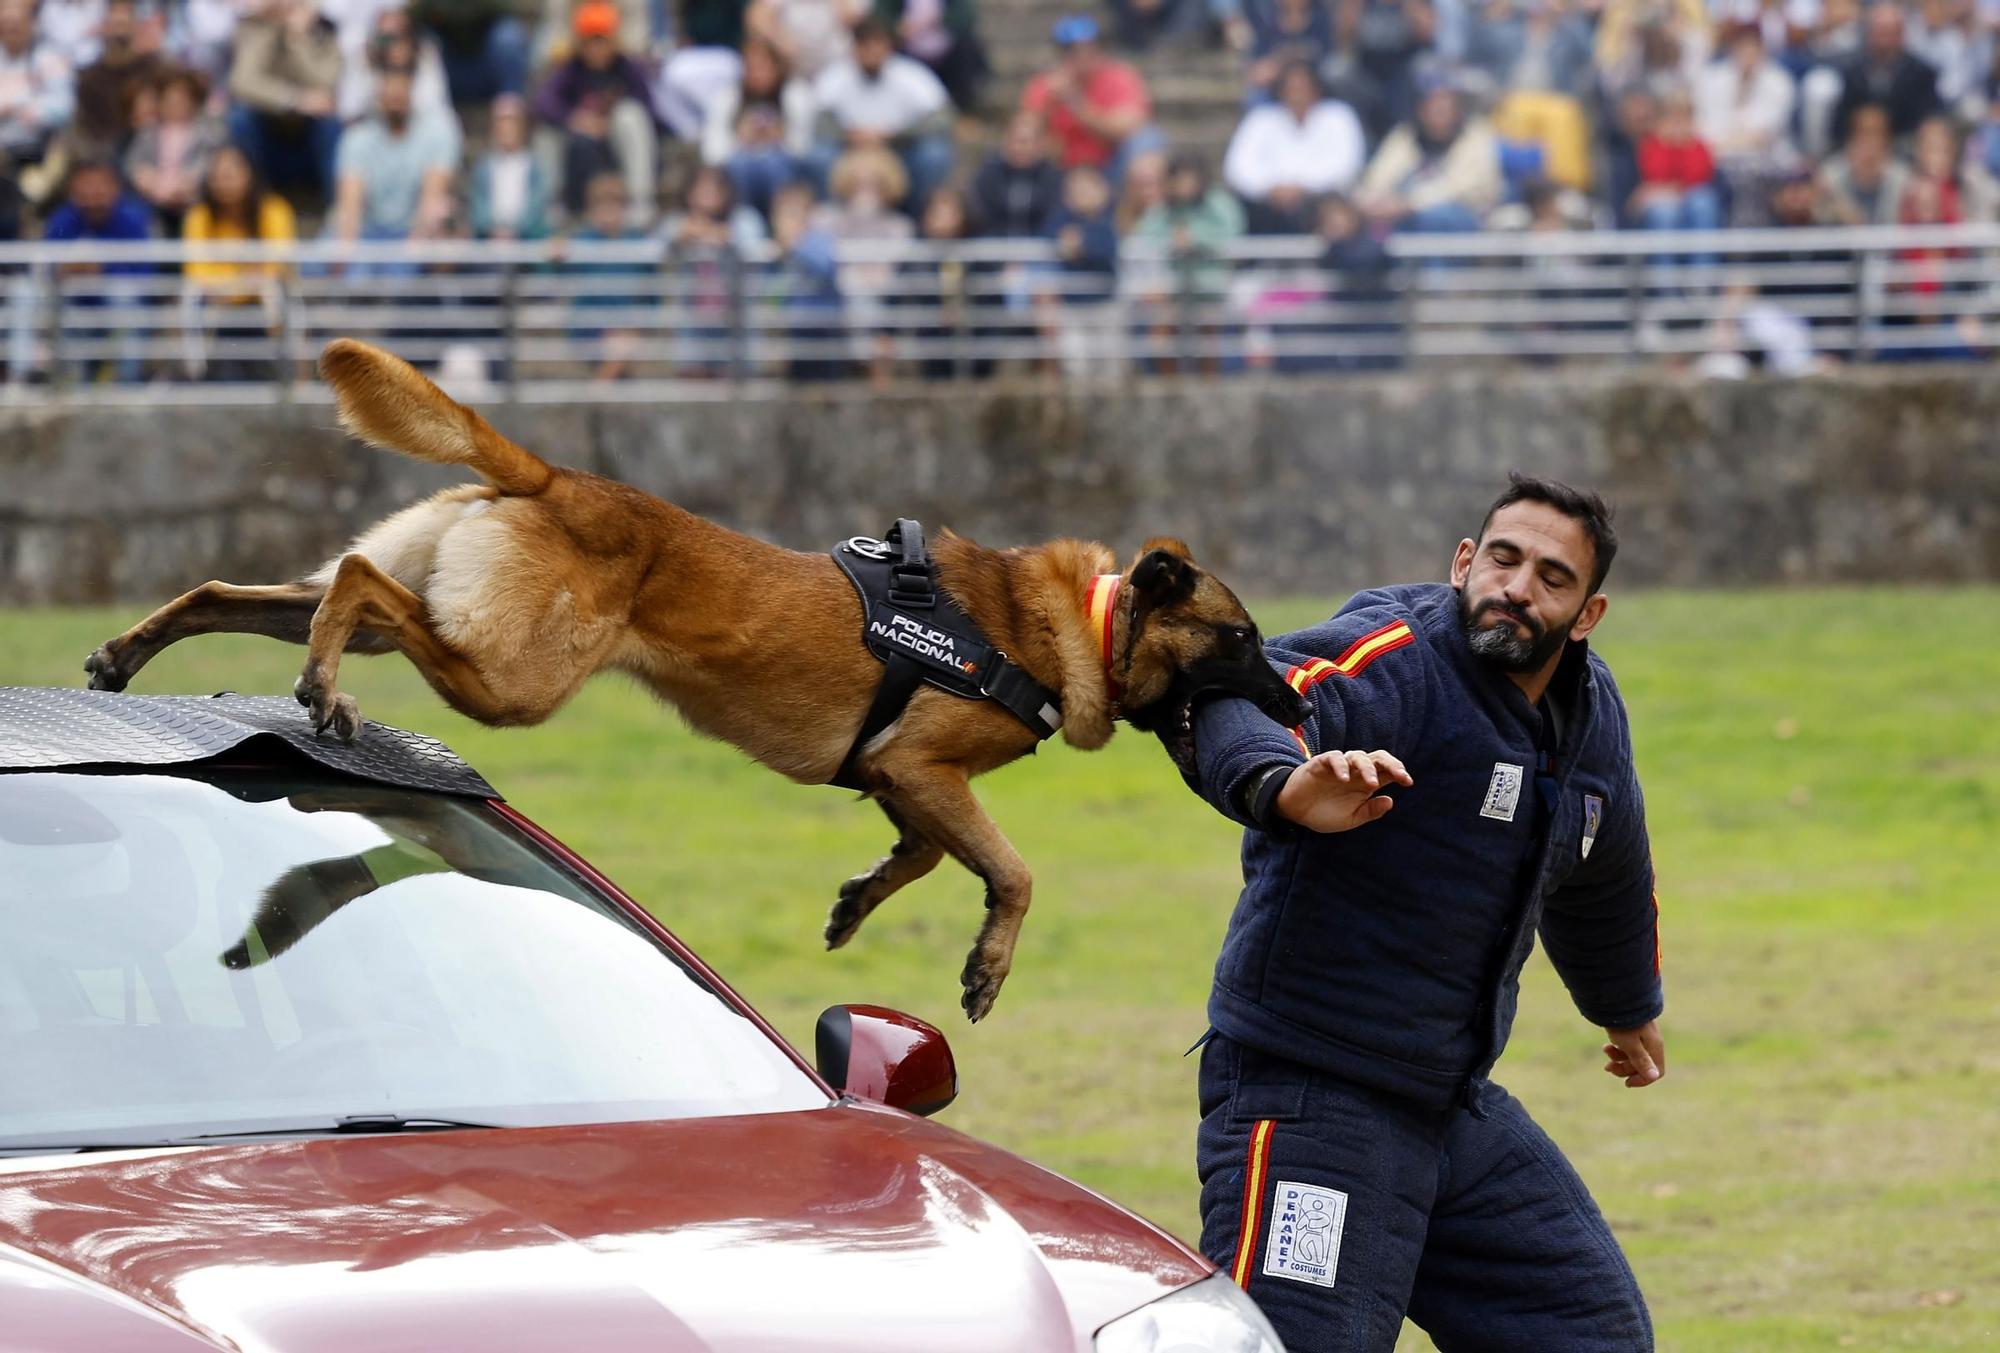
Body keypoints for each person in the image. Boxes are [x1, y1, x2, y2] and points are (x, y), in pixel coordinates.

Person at [1182, 474, 1663, 1353]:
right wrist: (1282, 786)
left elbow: (1607, 865)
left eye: (1552, 577)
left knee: (1590, 1333)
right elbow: (1240, 692)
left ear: (1587, 614)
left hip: (1447, 1103)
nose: (1518, 587)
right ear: (1464, 562)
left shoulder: (1589, 718)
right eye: (1505, 559)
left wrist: (1626, 1005)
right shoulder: (1397, 654)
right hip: (1307, 1100)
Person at [533, 0, 663, 227]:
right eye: (591, 41)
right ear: (581, 43)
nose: (597, 48)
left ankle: (640, 201)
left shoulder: (626, 67)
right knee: (545, 135)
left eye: (602, 40)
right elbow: (543, 102)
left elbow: (649, 108)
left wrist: (606, 121)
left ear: (614, 41)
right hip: (578, 147)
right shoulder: (572, 68)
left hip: (616, 144)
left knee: (630, 116)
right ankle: (551, 204)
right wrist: (574, 119)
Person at [811, 15, 954, 216]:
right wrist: (851, 136)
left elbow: (941, 119)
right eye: (865, 45)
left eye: (877, 44)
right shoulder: (835, 77)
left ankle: (917, 219)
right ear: (854, 47)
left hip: (900, 151)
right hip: (849, 152)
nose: (872, 52)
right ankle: (831, 219)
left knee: (933, 154)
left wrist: (894, 136)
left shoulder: (912, 75)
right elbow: (821, 123)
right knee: (820, 156)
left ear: (889, 46)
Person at [181, 142, 295, 380]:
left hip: (262, 303)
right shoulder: (199, 215)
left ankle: (283, 377)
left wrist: (235, 281)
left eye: (231, 174)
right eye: (218, 176)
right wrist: (243, 278)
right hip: (219, 305)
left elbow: (278, 264)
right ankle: (202, 375)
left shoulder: (274, 210)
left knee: (274, 299)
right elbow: (197, 269)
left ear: (250, 175)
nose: (224, 181)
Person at [1222, 60, 1366, 234]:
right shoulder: (1260, 119)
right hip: (1265, 205)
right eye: (1291, 89)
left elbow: (1347, 165)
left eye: (1302, 88)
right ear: (1281, 92)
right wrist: (1271, 189)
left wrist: (1303, 188)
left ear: (1316, 90)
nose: (1297, 95)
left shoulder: (1338, 116)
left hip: (1321, 202)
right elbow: (1238, 168)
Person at [1354, 71, 1501, 233]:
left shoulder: (1476, 135)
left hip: (1466, 218)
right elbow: (1377, 179)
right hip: (1401, 214)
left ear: (1457, 108)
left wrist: (1410, 204)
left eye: (1446, 104)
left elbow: (1461, 188)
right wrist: (1372, 203)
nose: (1440, 110)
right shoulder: (1405, 136)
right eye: (1433, 104)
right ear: (1420, 108)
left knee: (1434, 218)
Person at [329, 66, 458, 247]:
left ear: (411, 93)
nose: (395, 100)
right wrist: (347, 249)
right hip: (366, 232)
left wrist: (414, 245)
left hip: (411, 233)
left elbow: (432, 197)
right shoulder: (357, 138)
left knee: (441, 226)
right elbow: (351, 204)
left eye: (400, 93)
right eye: (390, 94)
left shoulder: (437, 133)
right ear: (379, 97)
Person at [226, 0, 342, 200]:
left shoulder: (326, 33)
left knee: (331, 124)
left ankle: (335, 208)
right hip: (268, 133)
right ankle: (256, 204)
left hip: (307, 136)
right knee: (239, 118)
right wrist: (293, 99)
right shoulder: (257, 30)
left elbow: (325, 85)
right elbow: (241, 82)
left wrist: (298, 40)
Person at [1017, 15, 1156, 177]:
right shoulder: (1046, 84)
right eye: (1071, 51)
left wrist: (1076, 103)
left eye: (1087, 49)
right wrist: (1049, 106)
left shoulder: (1120, 77)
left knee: (1148, 139)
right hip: (1061, 169)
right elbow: (1026, 129)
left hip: (1111, 165)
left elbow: (1130, 127)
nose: (1081, 57)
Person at [700, 35, 815, 218]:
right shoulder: (727, 98)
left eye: (763, 67)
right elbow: (712, 153)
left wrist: (779, 137)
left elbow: (804, 148)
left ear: (777, 68)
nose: (756, 74)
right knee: (741, 164)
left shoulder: (795, 94)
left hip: (785, 165)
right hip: (740, 163)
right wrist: (741, 139)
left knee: (773, 163)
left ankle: (783, 221)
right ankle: (744, 220)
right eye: (751, 68)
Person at [124, 66, 224, 234]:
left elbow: (210, 161)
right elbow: (133, 162)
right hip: (152, 196)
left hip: (192, 196)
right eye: (169, 100)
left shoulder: (208, 133)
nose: (175, 104)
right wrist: (148, 181)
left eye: (182, 100)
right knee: (138, 214)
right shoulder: (148, 132)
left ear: (194, 101)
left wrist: (187, 183)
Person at [1828, 2, 1941, 143]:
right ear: (1869, 33)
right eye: (1881, 32)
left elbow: (1924, 121)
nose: (1885, 41)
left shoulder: (1922, 74)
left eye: (1891, 33)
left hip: (1904, 146)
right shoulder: (1851, 71)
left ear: (1902, 34)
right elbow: (1841, 121)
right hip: (1856, 146)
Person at [468, 91, 552, 238]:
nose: (506, 128)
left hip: (526, 238)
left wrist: (516, 231)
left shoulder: (535, 166)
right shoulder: (483, 166)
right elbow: (478, 205)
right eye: (500, 122)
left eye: (512, 122)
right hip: (488, 239)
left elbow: (536, 205)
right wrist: (493, 229)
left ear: (523, 125)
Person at [968, 110, 1061, 236]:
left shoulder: (1053, 178)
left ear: (1040, 144)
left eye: (1025, 142)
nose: (1018, 148)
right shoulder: (988, 175)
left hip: (1039, 249)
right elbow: (980, 218)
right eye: (1014, 140)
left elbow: (1053, 219)